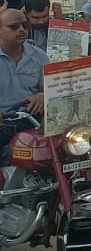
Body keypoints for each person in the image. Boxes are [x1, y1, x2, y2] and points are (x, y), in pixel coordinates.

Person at [0, 9, 48, 149]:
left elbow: (51, 91)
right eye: (14, 27)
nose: (21, 30)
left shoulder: (39, 56)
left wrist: (42, 96)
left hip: (32, 120)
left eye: (25, 26)